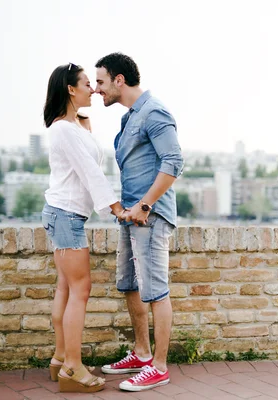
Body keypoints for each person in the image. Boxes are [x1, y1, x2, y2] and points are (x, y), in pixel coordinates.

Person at [95, 52, 184, 392]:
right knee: (130, 285)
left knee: (156, 290)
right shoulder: (128, 118)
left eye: (101, 82)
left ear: (120, 80)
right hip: (131, 217)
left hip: (151, 216)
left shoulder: (154, 111)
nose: (98, 89)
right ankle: (142, 353)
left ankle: (159, 367)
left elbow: (173, 160)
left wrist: (146, 204)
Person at [42, 63, 126, 393]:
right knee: (80, 289)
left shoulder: (70, 126)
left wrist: (84, 122)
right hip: (66, 216)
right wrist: (115, 207)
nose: (93, 89)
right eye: (87, 84)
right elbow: (90, 172)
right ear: (70, 89)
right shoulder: (63, 129)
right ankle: (73, 370)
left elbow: (86, 158)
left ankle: (61, 358)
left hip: (63, 213)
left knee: (66, 287)